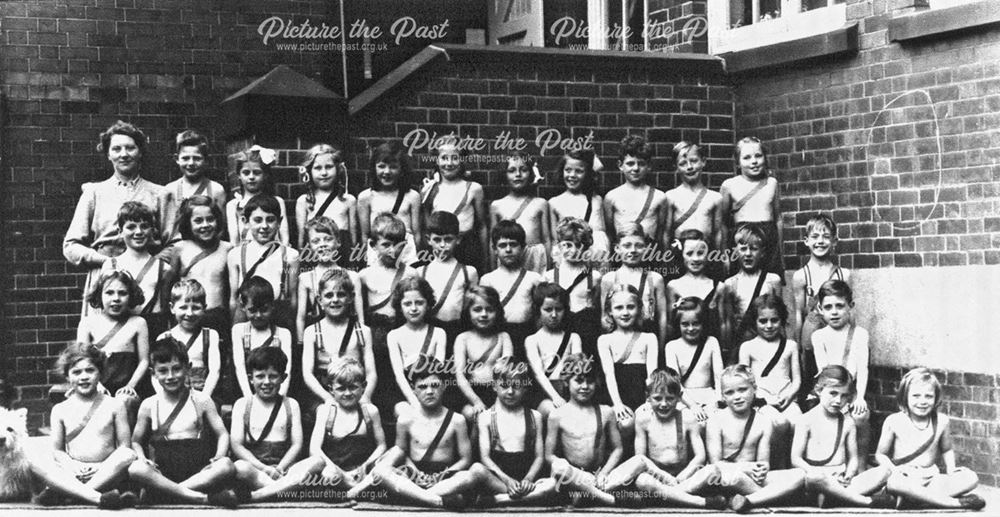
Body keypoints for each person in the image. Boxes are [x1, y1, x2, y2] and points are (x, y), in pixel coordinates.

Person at [64, 120, 166, 317]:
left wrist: (151, 266)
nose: (124, 154)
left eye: (130, 148)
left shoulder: (159, 194)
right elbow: (70, 246)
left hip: (148, 279)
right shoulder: (94, 192)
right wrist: (106, 262)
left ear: (140, 152)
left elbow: (174, 243)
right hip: (106, 280)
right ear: (108, 154)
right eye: (117, 149)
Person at [128, 338, 238, 507]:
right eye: (163, 371)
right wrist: (143, 458)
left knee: (227, 466)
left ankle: (166, 494)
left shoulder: (202, 400)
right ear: (153, 373)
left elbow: (222, 433)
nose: (170, 376)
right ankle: (198, 498)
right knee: (136, 469)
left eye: (177, 369)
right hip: (163, 473)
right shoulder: (149, 405)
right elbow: (135, 441)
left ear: (188, 368)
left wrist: (219, 456)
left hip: (198, 472)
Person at [685, 365, 805, 513]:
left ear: (754, 389)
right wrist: (745, 468)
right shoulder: (716, 421)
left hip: (752, 479)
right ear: (722, 396)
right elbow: (715, 463)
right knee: (725, 475)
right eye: (729, 392)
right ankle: (770, 497)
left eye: (743, 390)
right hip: (727, 478)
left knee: (799, 475)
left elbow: (763, 462)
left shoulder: (764, 421)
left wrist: (762, 469)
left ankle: (749, 500)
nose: (737, 396)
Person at [370, 359, 488, 509]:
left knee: (471, 475)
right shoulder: (405, 420)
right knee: (381, 471)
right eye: (423, 387)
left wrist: (442, 475)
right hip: (414, 476)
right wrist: (416, 473)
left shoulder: (457, 420)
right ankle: (435, 500)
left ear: (444, 386)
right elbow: (401, 453)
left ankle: (414, 497)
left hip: (446, 477)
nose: (430, 391)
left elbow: (466, 459)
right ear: (413, 389)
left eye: (435, 385)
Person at [606, 369, 726, 509]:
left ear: (679, 397)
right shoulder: (643, 419)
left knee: (712, 471)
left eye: (670, 398)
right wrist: (665, 477)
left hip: (682, 479)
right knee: (643, 481)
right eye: (657, 398)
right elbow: (642, 458)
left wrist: (681, 477)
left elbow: (700, 456)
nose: (664, 404)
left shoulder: (687, 418)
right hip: (656, 477)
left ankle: (662, 497)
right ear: (648, 397)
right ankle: (700, 502)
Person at [40, 343, 138, 508]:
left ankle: (76, 494)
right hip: (74, 471)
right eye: (76, 372)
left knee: (128, 455)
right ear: (67, 376)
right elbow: (58, 450)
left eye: (90, 370)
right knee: (39, 464)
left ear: (100, 373)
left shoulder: (114, 405)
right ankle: (93, 495)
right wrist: (72, 466)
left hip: (105, 472)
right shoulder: (60, 410)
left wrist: (101, 467)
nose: (84, 377)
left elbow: (124, 446)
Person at [875, 368, 985, 510]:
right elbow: (880, 454)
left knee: (971, 478)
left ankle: (915, 500)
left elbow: (947, 449)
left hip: (932, 478)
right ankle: (952, 503)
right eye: (916, 396)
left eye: (928, 396)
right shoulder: (894, 421)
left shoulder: (942, 421)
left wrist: (951, 469)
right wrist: (894, 470)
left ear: (936, 398)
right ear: (905, 397)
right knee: (894, 483)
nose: (922, 401)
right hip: (905, 477)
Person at [791, 365, 894, 508]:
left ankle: (835, 498)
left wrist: (849, 474)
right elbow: (796, 459)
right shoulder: (805, 420)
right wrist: (815, 471)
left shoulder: (848, 422)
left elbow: (853, 458)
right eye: (833, 393)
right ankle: (863, 501)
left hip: (841, 479)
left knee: (884, 472)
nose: (839, 400)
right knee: (813, 478)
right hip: (817, 478)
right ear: (819, 390)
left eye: (844, 395)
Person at [546, 353, 624, 507]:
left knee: (638, 463)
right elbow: (549, 455)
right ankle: (604, 498)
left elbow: (618, 449)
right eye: (579, 381)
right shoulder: (557, 415)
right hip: (572, 478)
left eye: (590, 381)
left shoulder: (606, 412)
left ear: (597, 383)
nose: (585, 387)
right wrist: (579, 475)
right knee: (558, 466)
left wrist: (604, 473)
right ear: (566, 381)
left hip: (599, 477)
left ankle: (589, 493)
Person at [360, 213, 418, 418]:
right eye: (386, 244)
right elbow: (360, 314)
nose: (392, 251)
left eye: (398, 245)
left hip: (401, 333)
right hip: (375, 337)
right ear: (373, 245)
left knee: (399, 381)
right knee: (377, 381)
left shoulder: (411, 273)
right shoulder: (365, 276)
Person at [475, 360, 556, 506]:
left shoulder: (535, 416)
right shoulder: (486, 417)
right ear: (494, 386)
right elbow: (485, 458)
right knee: (477, 470)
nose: (510, 391)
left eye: (516, 386)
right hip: (500, 482)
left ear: (525, 387)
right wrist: (507, 481)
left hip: (526, 484)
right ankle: (521, 499)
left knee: (552, 484)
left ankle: (499, 500)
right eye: (504, 386)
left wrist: (528, 479)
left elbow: (539, 457)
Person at [309, 357, 389, 501]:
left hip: (363, 472)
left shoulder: (370, 412)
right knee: (328, 475)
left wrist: (365, 466)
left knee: (385, 466)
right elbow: (314, 449)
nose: (347, 393)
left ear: (363, 387)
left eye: (353, 387)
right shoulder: (326, 411)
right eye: (341, 388)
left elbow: (381, 445)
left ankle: (355, 490)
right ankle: (357, 491)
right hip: (337, 472)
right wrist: (342, 473)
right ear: (331, 389)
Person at [231, 347, 306, 502]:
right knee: (239, 467)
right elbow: (237, 445)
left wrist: (280, 468)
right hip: (255, 471)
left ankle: (260, 495)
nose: (266, 382)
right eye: (260, 376)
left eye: (273, 376)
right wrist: (264, 469)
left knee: (316, 462)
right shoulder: (242, 404)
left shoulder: (291, 404)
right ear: (250, 378)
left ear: (283, 378)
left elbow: (297, 444)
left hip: (284, 469)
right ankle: (284, 490)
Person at [76, 270, 149, 424]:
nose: (116, 298)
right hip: (97, 385)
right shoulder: (88, 323)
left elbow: (144, 361)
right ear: (99, 295)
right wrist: (97, 385)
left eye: (122, 293)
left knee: (124, 401)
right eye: (109, 293)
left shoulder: (138, 323)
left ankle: (126, 445)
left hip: (127, 387)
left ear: (131, 296)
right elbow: (81, 360)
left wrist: (130, 386)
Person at [300, 269, 376, 418]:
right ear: (320, 300)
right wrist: (327, 398)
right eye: (329, 295)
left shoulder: (362, 331)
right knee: (328, 414)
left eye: (341, 294)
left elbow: (371, 372)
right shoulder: (312, 332)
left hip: (354, 391)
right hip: (324, 393)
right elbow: (307, 374)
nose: (335, 300)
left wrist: (365, 397)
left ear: (350, 298)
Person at [809, 280, 871, 459]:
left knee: (861, 417)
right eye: (828, 307)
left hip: (850, 393)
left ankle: (860, 464)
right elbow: (823, 371)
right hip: (829, 391)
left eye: (840, 306)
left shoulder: (860, 334)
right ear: (820, 309)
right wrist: (829, 398)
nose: (834, 312)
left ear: (850, 306)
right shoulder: (818, 336)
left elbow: (863, 368)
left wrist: (859, 397)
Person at [738, 294, 801, 468]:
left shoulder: (790, 346)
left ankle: (796, 469)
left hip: (787, 398)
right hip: (761, 401)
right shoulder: (748, 347)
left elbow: (797, 380)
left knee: (799, 423)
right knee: (779, 423)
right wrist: (764, 399)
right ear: (755, 322)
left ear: (782, 320)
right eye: (763, 321)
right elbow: (744, 382)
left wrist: (789, 396)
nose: (769, 325)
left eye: (774, 320)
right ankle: (778, 468)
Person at [792, 214, 850, 385]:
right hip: (812, 332)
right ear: (806, 240)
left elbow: (849, 310)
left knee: (836, 376)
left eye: (826, 237)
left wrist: (850, 337)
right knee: (813, 379)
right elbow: (798, 312)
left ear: (834, 241)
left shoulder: (844, 274)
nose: (820, 241)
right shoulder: (801, 276)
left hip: (837, 333)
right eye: (815, 236)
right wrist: (798, 346)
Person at [100, 202, 173, 338]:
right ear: (120, 231)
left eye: (144, 226)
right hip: (121, 330)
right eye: (131, 227)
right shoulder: (111, 265)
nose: (138, 232)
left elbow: (165, 310)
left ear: (152, 230)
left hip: (153, 329)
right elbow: (102, 306)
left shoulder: (163, 268)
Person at [597, 284, 658, 443]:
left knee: (647, 418)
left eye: (630, 307)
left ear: (638, 308)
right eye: (619, 308)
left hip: (642, 395)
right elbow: (609, 375)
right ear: (610, 311)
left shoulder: (649, 338)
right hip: (617, 396)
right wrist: (617, 404)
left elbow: (652, 374)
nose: (625, 312)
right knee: (625, 423)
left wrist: (649, 402)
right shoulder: (605, 340)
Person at [227, 194, 300, 326]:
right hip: (246, 323)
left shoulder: (290, 255)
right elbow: (233, 299)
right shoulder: (236, 255)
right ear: (245, 221)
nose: (264, 226)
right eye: (258, 220)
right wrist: (234, 328)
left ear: (279, 221)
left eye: (271, 220)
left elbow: (293, 299)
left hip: (279, 322)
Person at [167, 195, 234, 338]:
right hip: (188, 316)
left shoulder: (227, 249)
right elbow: (169, 285)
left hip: (217, 317)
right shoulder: (180, 248)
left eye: (210, 219)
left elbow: (231, 290)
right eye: (198, 221)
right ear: (188, 223)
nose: (205, 225)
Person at [721, 137, 784, 280]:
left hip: (768, 241)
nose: (754, 161)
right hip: (743, 239)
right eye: (747, 158)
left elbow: (778, 219)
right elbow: (723, 224)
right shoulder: (729, 185)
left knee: (769, 284)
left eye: (758, 156)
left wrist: (780, 254)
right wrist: (724, 255)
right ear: (738, 162)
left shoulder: (771, 183)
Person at [421, 142, 488, 272]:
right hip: (441, 247)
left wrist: (485, 257)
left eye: (455, 158)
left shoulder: (474, 188)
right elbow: (427, 225)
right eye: (444, 158)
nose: (449, 163)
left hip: (467, 248)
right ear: (436, 160)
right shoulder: (430, 189)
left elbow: (482, 226)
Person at [386, 277, 447, 417]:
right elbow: (399, 375)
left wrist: (428, 402)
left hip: (432, 392)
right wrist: (415, 404)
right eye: (407, 304)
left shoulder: (438, 333)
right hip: (405, 394)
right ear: (399, 307)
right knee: (405, 413)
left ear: (428, 304)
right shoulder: (394, 336)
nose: (413, 308)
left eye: (419, 303)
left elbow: (437, 373)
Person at [296, 217, 365, 341]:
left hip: (348, 337)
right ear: (310, 246)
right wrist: (301, 343)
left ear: (338, 242)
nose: (322, 244)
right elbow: (301, 317)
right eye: (316, 241)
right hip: (320, 339)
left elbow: (360, 315)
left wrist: (361, 340)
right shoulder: (305, 278)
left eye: (328, 239)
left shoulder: (353, 276)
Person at [479, 220, 542, 359]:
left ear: (523, 247)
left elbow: (539, 314)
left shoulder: (534, 278)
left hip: (527, 334)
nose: (508, 250)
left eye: (513, 244)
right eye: (502, 245)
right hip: (498, 335)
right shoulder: (488, 279)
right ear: (494, 249)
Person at [544, 218, 602, 365]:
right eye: (567, 245)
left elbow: (597, 309)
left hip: (586, 334)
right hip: (559, 331)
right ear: (559, 245)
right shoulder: (549, 276)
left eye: (579, 245)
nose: (574, 250)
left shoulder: (594, 277)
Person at [601, 224, 669, 348]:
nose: (633, 250)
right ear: (617, 248)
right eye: (627, 246)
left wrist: (660, 348)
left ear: (647, 248)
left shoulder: (654, 278)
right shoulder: (610, 279)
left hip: (648, 341)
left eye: (639, 246)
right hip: (617, 342)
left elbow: (663, 319)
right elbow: (604, 317)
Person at [453, 286, 514, 425]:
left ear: (497, 312)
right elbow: (459, 375)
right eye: (477, 309)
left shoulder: (503, 337)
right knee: (472, 415)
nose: (484, 314)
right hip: (470, 393)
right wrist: (476, 402)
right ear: (468, 312)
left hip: (498, 393)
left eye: (490, 310)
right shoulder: (463, 338)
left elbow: (507, 372)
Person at [419, 211, 479, 352]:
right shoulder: (421, 272)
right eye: (437, 240)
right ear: (428, 240)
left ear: (458, 239)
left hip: (457, 331)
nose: (443, 245)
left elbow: (469, 307)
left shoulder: (469, 272)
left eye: (448, 239)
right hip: (430, 331)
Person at [358, 141, 421, 267]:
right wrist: (371, 258)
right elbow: (365, 235)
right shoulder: (366, 197)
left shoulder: (412, 196)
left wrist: (415, 258)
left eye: (393, 167)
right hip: (378, 254)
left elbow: (417, 233)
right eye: (381, 166)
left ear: (401, 169)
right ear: (374, 168)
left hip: (406, 254)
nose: (387, 171)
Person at [523, 282, 581, 417]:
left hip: (569, 390)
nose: (554, 315)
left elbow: (577, 368)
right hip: (545, 393)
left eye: (558, 309)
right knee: (556, 413)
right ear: (538, 310)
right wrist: (555, 397)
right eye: (548, 309)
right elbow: (538, 373)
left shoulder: (573, 338)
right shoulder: (532, 340)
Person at [156, 280, 221, 400]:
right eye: (183, 307)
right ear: (172, 308)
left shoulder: (210, 335)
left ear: (204, 308)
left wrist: (203, 399)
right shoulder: (164, 337)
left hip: (202, 393)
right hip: (171, 395)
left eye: (196, 308)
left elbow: (214, 371)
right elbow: (156, 374)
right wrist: (164, 397)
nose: (189, 313)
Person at [295, 144, 358, 266]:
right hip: (314, 257)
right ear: (309, 171)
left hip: (342, 256)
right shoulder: (304, 201)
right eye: (318, 168)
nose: (324, 173)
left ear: (338, 169)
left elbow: (353, 238)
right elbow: (301, 240)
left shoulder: (348, 200)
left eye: (328, 167)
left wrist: (353, 262)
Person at [663, 297, 724, 421]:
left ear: (703, 323)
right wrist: (693, 406)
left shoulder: (711, 342)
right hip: (683, 398)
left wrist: (718, 401)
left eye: (696, 323)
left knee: (715, 420)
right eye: (685, 324)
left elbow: (719, 377)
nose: (690, 328)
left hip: (709, 396)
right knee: (688, 420)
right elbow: (675, 383)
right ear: (678, 324)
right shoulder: (672, 347)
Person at [231, 278, 293, 399]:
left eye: (264, 310)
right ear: (243, 307)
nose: (258, 315)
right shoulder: (239, 331)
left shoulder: (283, 334)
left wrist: (279, 399)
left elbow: (287, 370)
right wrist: (250, 399)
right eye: (252, 310)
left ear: (272, 306)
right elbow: (240, 367)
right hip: (247, 393)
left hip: (275, 392)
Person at [725, 224, 782, 354]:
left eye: (754, 249)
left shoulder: (772, 280)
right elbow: (729, 322)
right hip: (742, 343)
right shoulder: (731, 284)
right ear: (735, 251)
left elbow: (781, 318)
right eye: (743, 249)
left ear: (762, 252)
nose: (748, 254)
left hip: (769, 342)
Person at [664, 141, 725, 265]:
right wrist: (666, 257)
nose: (689, 167)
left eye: (694, 161)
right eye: (683, 163)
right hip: (679, 253)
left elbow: (718, 232)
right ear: (676, 167)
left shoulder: (715, 198)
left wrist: (721, 256)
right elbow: (666, 232)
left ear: (703, 161)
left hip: (706, 252)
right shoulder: (671, 196)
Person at [161, 130, 227, 244]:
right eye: (185, 158)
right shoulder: (169, 190)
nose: (191, 163)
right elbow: (164, 228)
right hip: (177, 249)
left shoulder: (216, 190)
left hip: (208, 249)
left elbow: (221, 228)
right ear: (177, 159)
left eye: (197, 158)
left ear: (206, 160)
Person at [604, 135, 668, 250]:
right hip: (623, 254)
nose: (636, 168)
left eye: (641, 163)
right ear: (620, 165)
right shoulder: (612, 197)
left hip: (649, 254)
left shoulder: (659, 197)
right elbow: (609, 233)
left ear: (649, 166)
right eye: (630, 163)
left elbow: (661, 234)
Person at [667, 229, 731, 345]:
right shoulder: (673, 286)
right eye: (690, 253)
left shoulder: (719, 287)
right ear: (681, 255)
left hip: (710, 348)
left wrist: (724, 348)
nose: (695, 259)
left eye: (700, 253)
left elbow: (723, 323)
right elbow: (670, 324)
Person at [548, 149, 610, 267]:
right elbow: (555, 240)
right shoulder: (554, 202)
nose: (572, 175)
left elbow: (602, 233)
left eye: (579, 171)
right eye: (568, 170)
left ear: (587, 174)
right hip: (569, 258)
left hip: (596, 257)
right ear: (562, 172)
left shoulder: (596, 200)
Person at [489, 151, 550, 273]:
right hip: (508, 254)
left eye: (523, 170)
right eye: (511, 170)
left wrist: (549, 268)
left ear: (531, 173)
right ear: (504, 174)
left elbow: (547, 239)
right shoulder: (497, 205)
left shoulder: (540, 203)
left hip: (535, 257)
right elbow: (492, 242)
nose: (518, 174)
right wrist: (492, 269)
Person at [226, 145, 289, 246]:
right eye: (246, 173)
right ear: (239, 175)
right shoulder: (234, 205)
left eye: (256, 173)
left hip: (273, 253)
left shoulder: (277, 201)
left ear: (265, 175)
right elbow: (234, 242)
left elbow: (285, 238)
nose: (251, 177)